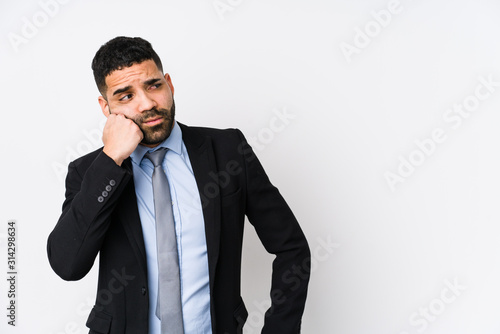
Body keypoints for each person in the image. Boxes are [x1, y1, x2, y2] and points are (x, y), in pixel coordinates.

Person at [47, 36, 310, 334]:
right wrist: (111, 160)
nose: (147, 104)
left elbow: (291, 247)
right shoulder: (89, 172)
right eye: (125, 96)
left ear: (169, 84)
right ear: (106, 108)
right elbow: (67, 265)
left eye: (153, 86)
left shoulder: (228, 151)